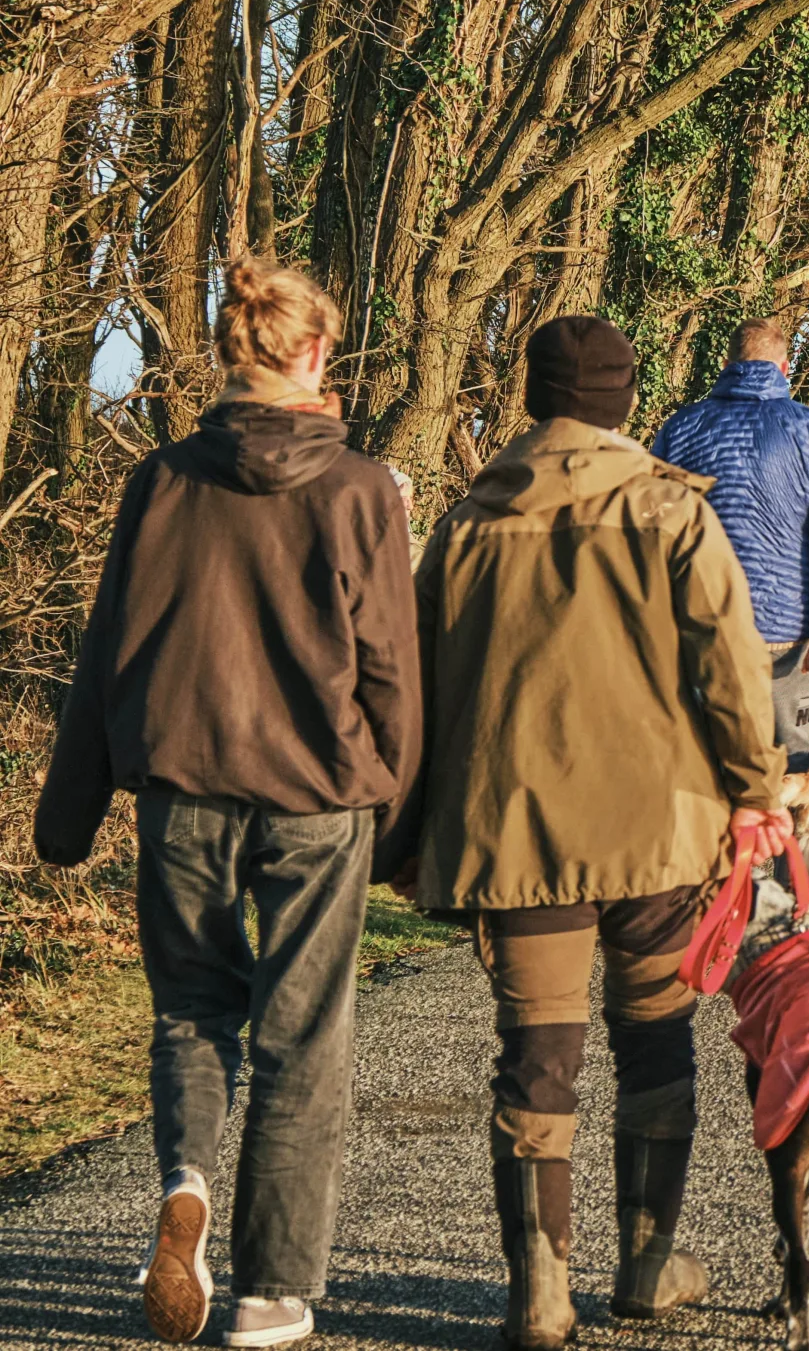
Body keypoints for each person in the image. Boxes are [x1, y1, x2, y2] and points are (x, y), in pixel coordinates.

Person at [35, 257, 421, 1350]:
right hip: (316, 798)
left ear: (230, 355)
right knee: (303, 1032)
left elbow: (108, 644)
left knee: (192, 1008)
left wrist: (68, 812)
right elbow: (390, 665)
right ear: (310, 356)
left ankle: (186, 1183)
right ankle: (272, 1289)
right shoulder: (357, 491)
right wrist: (405, 812)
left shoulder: (162, 479)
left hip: (182, 789)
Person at [401, 315, 791, 1350]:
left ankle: (539, 1292)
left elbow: (413, 686)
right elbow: (731, 663)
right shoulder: (671, 509)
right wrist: (757, 789)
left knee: (538, 1055)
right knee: (655, 1037)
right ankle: (646, 1265)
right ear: (624, 399)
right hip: (661, 831)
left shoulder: (467, 521)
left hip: (515, 832)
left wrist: (412, 833)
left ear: (533, 398)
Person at [651, 317, 809, 771]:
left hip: (701, 624)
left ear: (726, 365)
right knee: (791, 770)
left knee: (703, 766)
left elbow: (652, 533)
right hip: (788, 629)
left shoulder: (680, 428)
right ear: (785, 368)